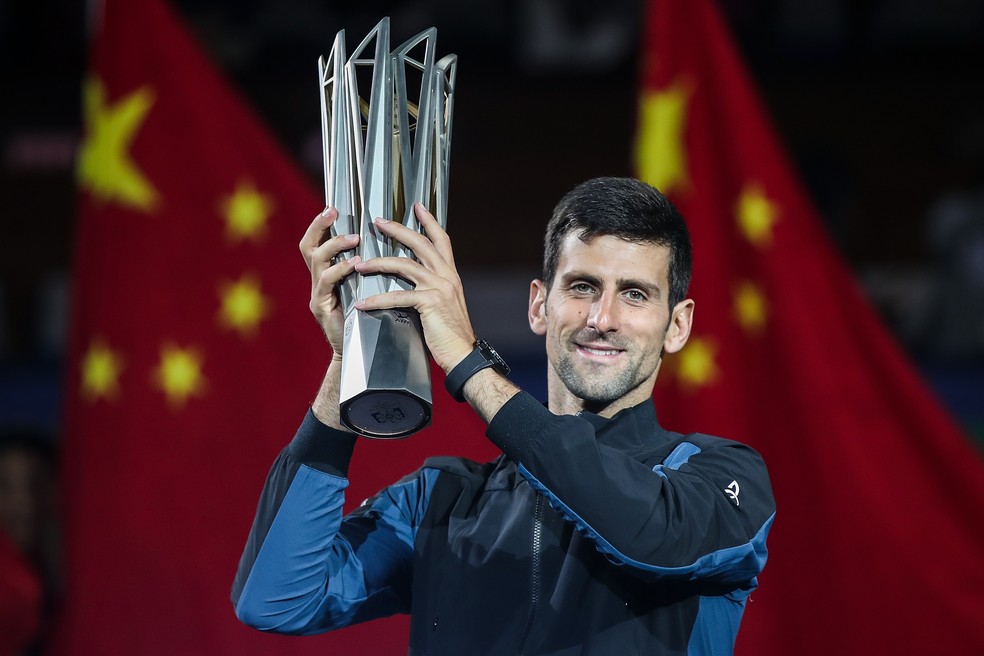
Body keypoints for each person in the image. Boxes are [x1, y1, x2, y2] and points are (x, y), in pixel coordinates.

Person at [232, 177, 775, 655]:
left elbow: (650, 536)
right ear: (539, 306)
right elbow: (276, 599)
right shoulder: (440, 501)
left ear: (677, 326)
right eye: (582, 287)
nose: (602, 318)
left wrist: (469, 363)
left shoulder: (720, 476)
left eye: (634, 295)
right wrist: (347, 364)